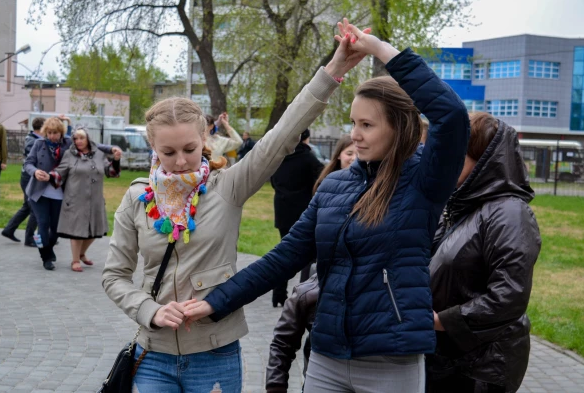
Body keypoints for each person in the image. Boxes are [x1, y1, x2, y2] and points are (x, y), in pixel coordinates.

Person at [183, 19, 470, 393]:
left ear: (398, 128)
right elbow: (285, 257)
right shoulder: (335, 185)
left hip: (391, 359)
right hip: (327, 356)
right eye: (353, 122)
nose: (354, 134)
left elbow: (452, 116)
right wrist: (216, 302)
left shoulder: (423, 181)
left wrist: (379, 49)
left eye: (367, 124)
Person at [101, 27, 367, 392]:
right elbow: (114, 276)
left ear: (205, 140)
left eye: (190, 149)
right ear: (153, 147)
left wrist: (334, 69)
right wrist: (151, 311)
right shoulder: (137, 196)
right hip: (154, 355)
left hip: (215, 355)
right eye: (168, 152)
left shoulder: (228, 186)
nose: (180, 161)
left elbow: (283, 134)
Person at [426, 112, 541, 393]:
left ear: (484, 160)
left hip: (482, 368)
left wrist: (442, 321)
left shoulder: (509, 213)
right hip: (448, 360)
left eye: (457, 155)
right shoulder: (461, 207)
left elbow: (509, 295)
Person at [266, 135, 356, 392]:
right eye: (348, 152)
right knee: (298, 264)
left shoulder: (298, 160)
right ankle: (281, 294)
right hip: (304, 228)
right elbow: (282, 345)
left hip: (289, 217)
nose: (353, 157)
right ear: (339, 155)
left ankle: (279, 294)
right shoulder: (323, 180)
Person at [25, 116, 119, 271]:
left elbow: (94, 144)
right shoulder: (39, 144)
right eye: (49, 132)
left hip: (59, 192)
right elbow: (28, 163)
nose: (52, 136)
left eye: (55, 133)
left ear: (61, 133)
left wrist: (111, 150)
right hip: (39, 190)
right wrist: (36, 172)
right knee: (43, 224)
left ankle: (52, 249)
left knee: (55, 229)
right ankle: (46, 256)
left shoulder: (69, 143)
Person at [53, 126, 121, 272]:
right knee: (77, 231)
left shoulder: (99, 154)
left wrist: (116, 160)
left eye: (81, 138)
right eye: (75, 138)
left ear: (88, 139)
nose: (78, 141)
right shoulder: (69, 154)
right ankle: (75, 260)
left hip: (95, 199)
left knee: (95, 230)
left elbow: (111, 172)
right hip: (75, 198)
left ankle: (82, 253)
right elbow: (60, 173)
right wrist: (48, 177)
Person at [270, 128, 325, 307]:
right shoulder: (308, 158)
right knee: (307, 257)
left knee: (284, 252)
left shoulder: (278, 158)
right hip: (303, 212)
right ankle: (304, 295)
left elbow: (273, 181)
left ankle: (278, 293)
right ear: (306, 139)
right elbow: (322, 180)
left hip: (283, 209)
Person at [1, 117, 45, 245]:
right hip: (28, 177)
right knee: (35, 208)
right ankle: (30, 238)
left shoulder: (36, 139)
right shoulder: (32, 141)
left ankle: (9, 230)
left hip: (30, 177)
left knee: (27, 206)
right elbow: (35, 157)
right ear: (42, 128)